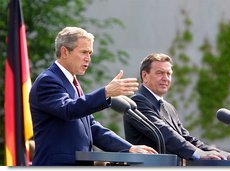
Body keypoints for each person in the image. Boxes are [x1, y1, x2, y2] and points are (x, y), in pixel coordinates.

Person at [29, 27, 157, 166]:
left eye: (90, 53)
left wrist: (129, 148)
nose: (88, 59)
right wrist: (105, 92)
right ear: (65, 51)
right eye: (84, 52)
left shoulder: (72, 83)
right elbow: (68, 110)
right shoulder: (48, 80)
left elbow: (92, 127)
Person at [123, 52, 230, 161]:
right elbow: (165, 134)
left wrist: (224, 155)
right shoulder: (138, 102)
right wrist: (199, 155)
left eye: (169, 74)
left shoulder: (168, 107)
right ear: (145, 76)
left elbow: (186, 138)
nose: (165, 78)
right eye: (160, 73)